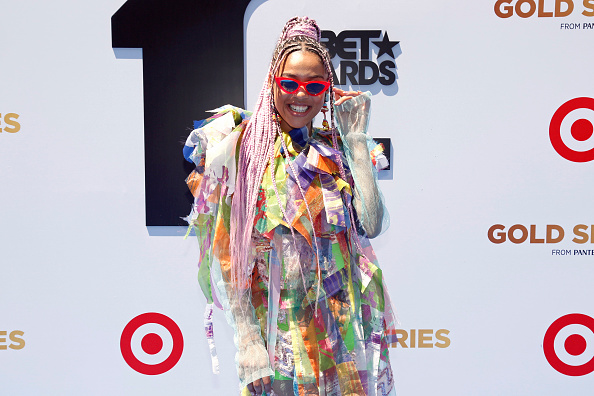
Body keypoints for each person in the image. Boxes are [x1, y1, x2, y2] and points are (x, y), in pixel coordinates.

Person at [183, 16, 396, 396]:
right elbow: (229, 252)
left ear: (327, 89)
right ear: (272, 82)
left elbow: (371, 223)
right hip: (274, 337)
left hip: (338, 334)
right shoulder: (242, 146)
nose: (301, 95)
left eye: (315, 85)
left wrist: (356, 137)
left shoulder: (339, 148)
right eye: (290, 83)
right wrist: (248, 340)